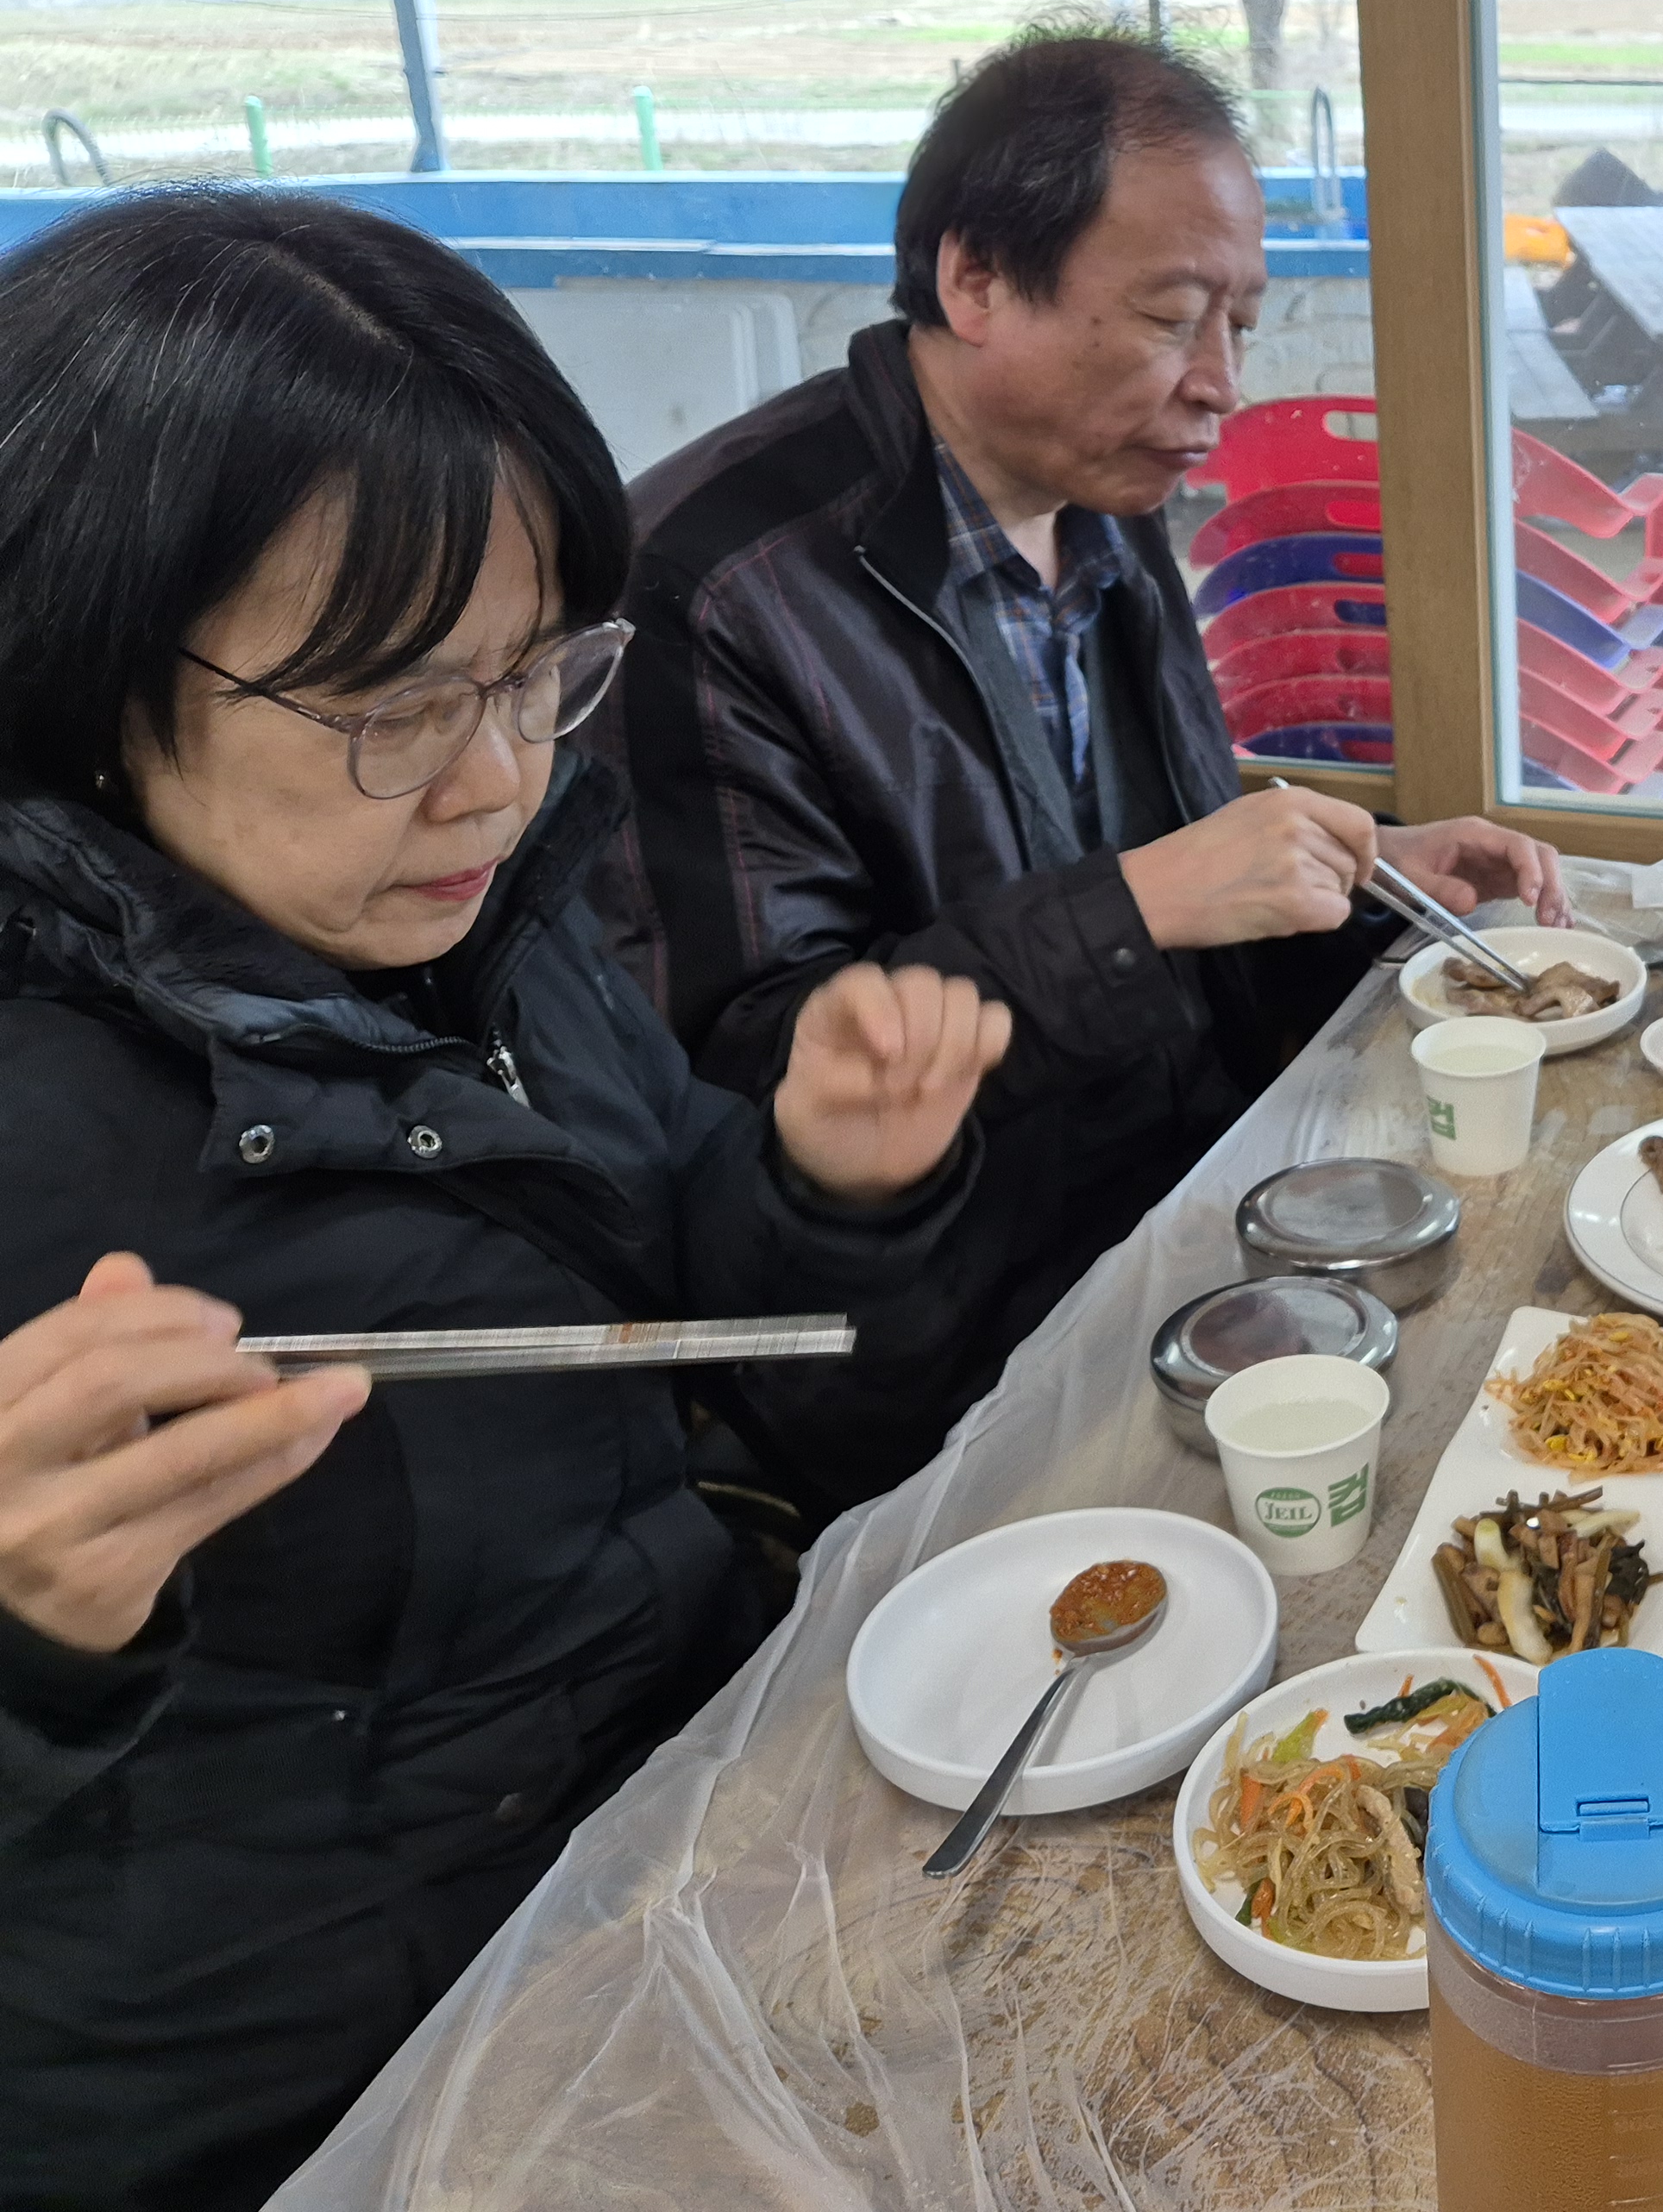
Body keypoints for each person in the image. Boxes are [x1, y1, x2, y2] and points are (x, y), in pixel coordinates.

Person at [0, 188, 1013, 2209]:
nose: (496, 778)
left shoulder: (481, 912)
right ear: (95, 663)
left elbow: (682, 1315)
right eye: (392, 704)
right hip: (311, 2098)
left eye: (537, 669)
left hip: (656, 1871)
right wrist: (24, 1649)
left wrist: (830, 1187)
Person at [608, 20, 1563, 1515]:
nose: (1223, 385)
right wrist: (1146, 902)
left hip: (1173, 1232)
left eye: (1243, 321)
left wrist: (1365, 879)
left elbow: (1165, 876)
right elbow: (761, 1068)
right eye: (1178, 316)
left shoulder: (1098, 499)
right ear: (974, 278)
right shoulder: (712, 589)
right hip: (943, 1353)